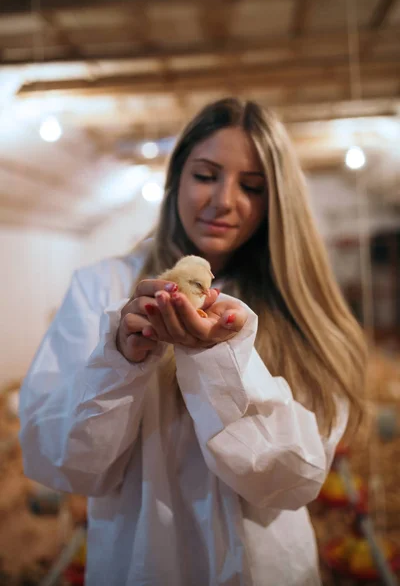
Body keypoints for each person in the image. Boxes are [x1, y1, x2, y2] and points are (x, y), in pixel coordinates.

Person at [19, 98, 366, 586]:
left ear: (276, 202)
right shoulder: (103, 289)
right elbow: (60, 460)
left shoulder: (299, 309)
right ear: (176, 179)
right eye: (205, 175)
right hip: (139, 566)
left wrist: (220, 359)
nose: (224, 201)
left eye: (252, 186)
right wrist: (119, 360)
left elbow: (295, 479)